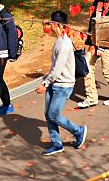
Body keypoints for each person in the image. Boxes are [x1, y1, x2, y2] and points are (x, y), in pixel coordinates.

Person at [36, 10, 88, 155]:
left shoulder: (64, 44)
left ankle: (78, 131)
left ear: (56, 24)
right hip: (54, 83)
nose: (51, 25)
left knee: (53, 114)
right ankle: (56, 143)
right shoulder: (60, 40)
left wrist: (45, 84)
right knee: (48, 114)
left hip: (63, 85)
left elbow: (58, 69)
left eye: (52, 23)